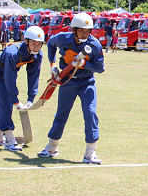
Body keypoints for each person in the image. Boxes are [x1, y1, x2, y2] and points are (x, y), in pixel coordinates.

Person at [38, 12, 105, 164]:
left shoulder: (94, 45)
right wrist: (52, 65)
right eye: (81, 30)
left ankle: (90, 153)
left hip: (86, 83)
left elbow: (100, 68)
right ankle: (52, 147)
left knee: (90, 113)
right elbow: (50, 44)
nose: (84, 33)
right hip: (67, 81)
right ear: (73, 30)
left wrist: (84, 64)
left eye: (87, 31)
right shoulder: (63, 38)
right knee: (61, 114)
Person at [0, 25, 45, 151]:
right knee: (5, 103)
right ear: (26, 42)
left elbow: (33, 76)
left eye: (39, 44)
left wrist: (31, 98)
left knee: (3, 103)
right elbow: (9, 78)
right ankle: (9, 139)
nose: (36, 46)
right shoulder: (12, 53)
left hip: (10, 72)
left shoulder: (38, 55)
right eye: (33, 43)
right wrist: (15, 100)